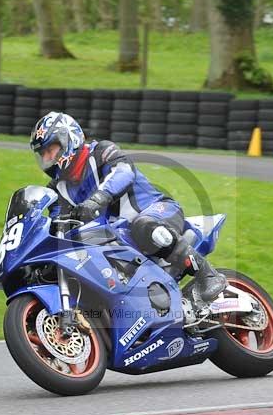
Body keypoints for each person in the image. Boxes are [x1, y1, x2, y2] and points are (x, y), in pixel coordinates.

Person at [30, 111, 227, 304]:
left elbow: (124, 172)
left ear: (68, 139)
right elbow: (58, 225)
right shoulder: (57, 189)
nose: (48, 158)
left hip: (157, 211)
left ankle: (208, 275)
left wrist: (98, 198)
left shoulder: (101, 152)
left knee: (144, 226)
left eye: (51, 149)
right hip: (116, 238)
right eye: (43, 154)